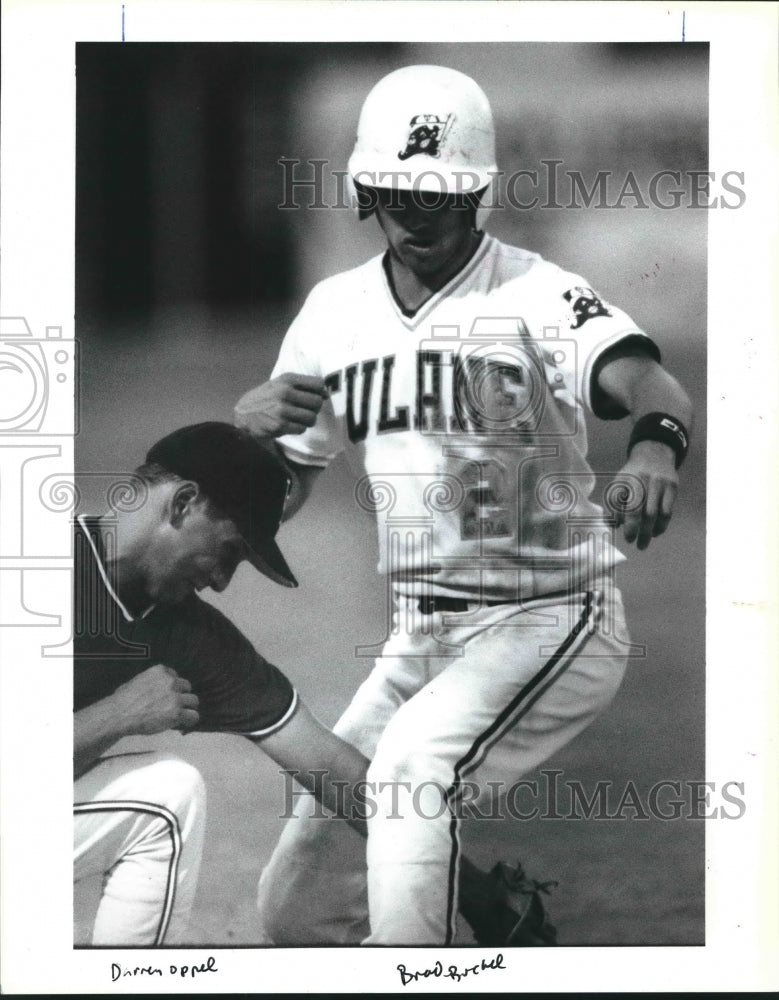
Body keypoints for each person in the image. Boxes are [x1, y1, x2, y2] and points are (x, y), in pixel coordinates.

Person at [235, 65, 694, 946]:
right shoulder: (332, 313)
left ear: (477, 190)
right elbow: (284, 488)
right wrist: (250, 440)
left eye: (437, 193)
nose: (414, 211)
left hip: (550, 616)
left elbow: (652, 383)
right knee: (294, 909)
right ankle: (495, 913)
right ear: (368, 185)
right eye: (396, 189)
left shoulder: (533, 291)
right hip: (418, 636)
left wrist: (651, 447)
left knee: (412, 777)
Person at [74, 420, 535, 947]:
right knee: (163, 800)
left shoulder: (187, 631)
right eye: (228, 550)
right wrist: (115, 714)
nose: (222, 582)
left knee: (162, 795)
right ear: (182, 504)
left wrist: (474, 892)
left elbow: (325, 765)